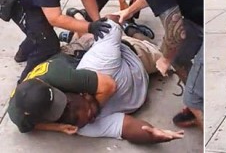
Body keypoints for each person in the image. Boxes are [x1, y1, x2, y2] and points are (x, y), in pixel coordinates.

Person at [93, 0, 204, 128]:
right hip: (195, 15)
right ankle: (196, 95)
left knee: (191, 94)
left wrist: (164, 59)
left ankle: (197, 105)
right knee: (178, 59)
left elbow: (176, 31)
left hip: (201, 21)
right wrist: (129, 11)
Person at [9, 18, 185, 143]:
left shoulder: (85, 69)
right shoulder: (80, 124)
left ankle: (119, 27)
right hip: (99, 65)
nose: (92, 118)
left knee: (159, 54)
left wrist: (100, 22)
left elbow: (109, 27)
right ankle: (79, 23)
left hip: (131, 54)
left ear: (83, 93)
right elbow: (126, 127)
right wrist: (152, 135)